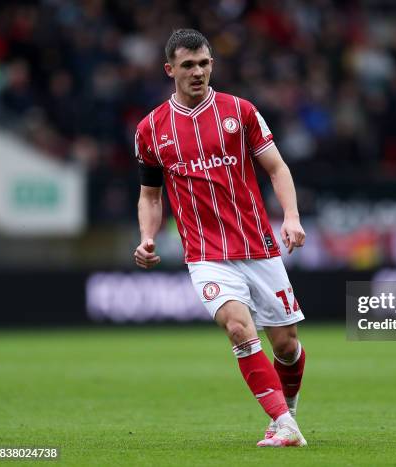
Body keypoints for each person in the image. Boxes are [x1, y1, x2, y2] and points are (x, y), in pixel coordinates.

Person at [133, 29, 307, 447]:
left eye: (204, 63)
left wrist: (292, 216)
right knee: (237, 328)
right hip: (206, 253)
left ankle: (289, 410)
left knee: (286, 345)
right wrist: (147, 237)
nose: (198, 72)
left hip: (257, 245)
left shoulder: (240, 111)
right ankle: (284, 425)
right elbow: (150, 195)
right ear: (169, 69)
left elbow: (277, 168)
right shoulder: (151, 129)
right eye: (188, 65)